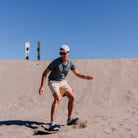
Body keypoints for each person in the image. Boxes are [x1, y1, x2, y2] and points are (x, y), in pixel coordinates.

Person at [39, 45, 93, 131]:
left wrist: (86, 77)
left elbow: (77, 73)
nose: (62, 55)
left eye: (64, 53)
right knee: (58, 98)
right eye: (61, 53)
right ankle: (52, 124)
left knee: (72, 97)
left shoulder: (70, 63)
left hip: (63, 82)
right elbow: (45, 73)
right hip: (53, 81)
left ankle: (69, 119)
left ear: (68, 53)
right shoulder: (55, 62)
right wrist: (42, 86)